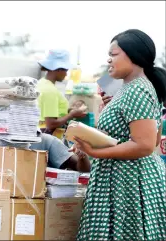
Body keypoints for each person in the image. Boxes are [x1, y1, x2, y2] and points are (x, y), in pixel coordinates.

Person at [74, 29, 166, 240]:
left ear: (134, 55)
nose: (109, 59)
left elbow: (144, 145)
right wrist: (89, 142)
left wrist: (96, 153)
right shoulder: (126, 89)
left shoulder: (137, 90)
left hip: (130, 184)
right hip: (120, 181)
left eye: (114, 54)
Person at [37, 50, 87, 138]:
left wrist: (69, 110)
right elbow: (51, 124)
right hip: (49, 137)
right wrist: (71, 115)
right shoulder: (50, 90)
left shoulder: (41, 83)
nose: (66, 74)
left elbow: (46, 111)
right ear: (59, 69)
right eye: (66, 70)